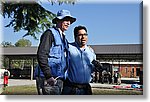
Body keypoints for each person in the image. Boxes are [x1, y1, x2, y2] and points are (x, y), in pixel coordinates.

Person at [34, 9, 76, 95]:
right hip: (48, 79)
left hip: (58, 78)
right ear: (58, 20)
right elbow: (42, 54)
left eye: (69, 21)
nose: (68, 23)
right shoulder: (49, 34)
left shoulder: (63, 38)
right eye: (66, 20)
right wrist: (48, 76)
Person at [62, 25, 102, 95]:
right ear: (75, 37)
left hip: (86, 89)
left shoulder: (90, 51)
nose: (83, 37)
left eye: (85, 34)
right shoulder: (68, 48)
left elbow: (92, 69)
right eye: (80, 35)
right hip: (72, 89)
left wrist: (97, 67)